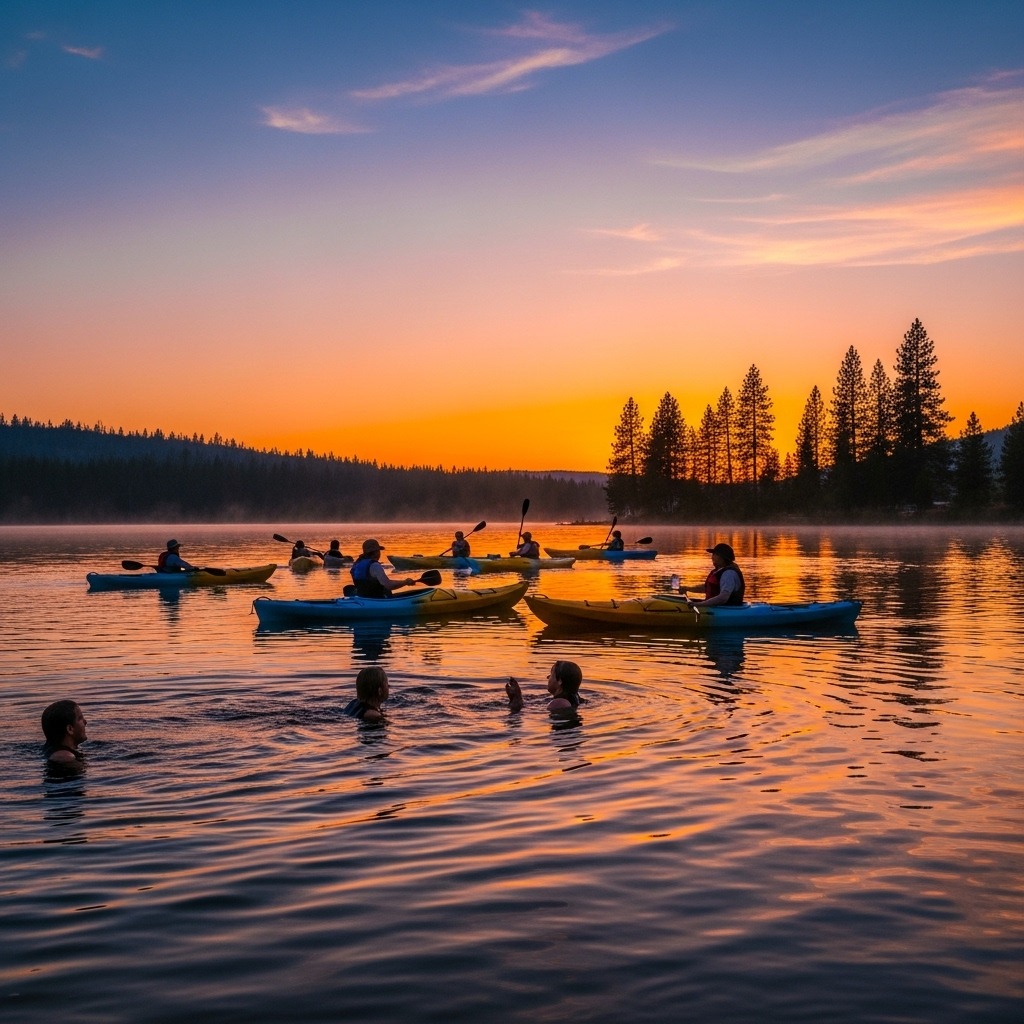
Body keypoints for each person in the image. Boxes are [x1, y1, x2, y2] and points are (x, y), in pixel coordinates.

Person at [504, 660, 583, 716]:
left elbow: (528, 713)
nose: (548, 677)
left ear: (559, 681)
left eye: (551, 674)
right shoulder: (575, 699)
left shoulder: (558, 703)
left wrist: (516, 700)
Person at [681, 542, 745, 607]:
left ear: (722, 558)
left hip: (727, 610)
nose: (712, 557)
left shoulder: (729, 574)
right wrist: (688, 588)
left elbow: (723, 598)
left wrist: (699, 605)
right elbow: (707, 588)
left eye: (715, 554)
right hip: (713, 607)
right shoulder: (718, 570)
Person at [349, 539, 417, 598]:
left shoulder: (357, 564)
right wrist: (405, 582)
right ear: (376, 552)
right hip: (378, 600)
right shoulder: (375, 565)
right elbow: (388, 585)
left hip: (363, 599)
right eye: (379, 551)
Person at [41, 699, 87, 766]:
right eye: (80, 718)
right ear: (70, 729)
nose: (85, 722)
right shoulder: (65, 757)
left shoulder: (48, 749)